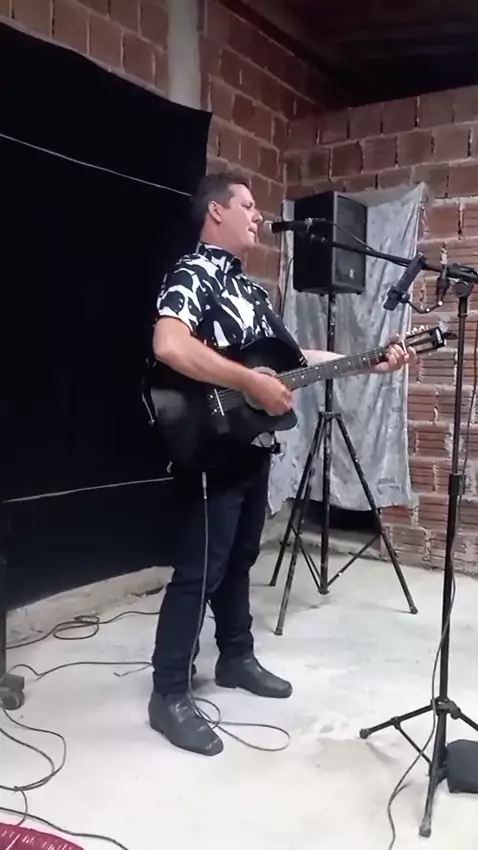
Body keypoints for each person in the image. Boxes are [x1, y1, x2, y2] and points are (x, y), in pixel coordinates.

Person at [148, 169, 410, 757]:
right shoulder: (193, 273)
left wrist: (366, 360)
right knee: (201, 570)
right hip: (210, 440)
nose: (258, 216)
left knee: (242, 556)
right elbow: (169, 344)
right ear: (216, 212)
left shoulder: (251, 291)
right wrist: (250, 383)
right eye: (246, 205)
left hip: (251, 442)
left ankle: (236, 656)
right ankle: (168, 693)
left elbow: (292, 359)